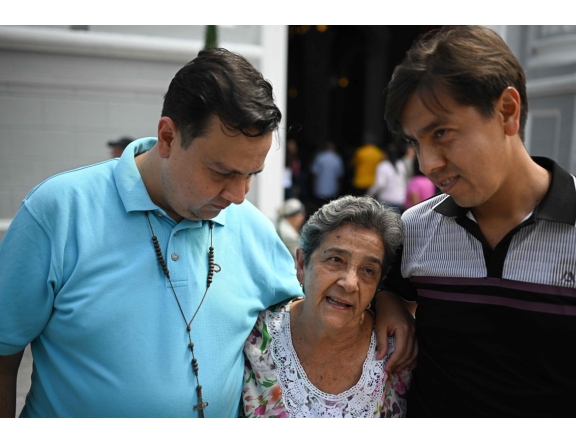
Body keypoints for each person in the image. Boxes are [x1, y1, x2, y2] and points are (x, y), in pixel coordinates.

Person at [0, 48, 415, 418]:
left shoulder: (251, 228)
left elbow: (321, 299)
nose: (238, 195)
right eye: (222, 172)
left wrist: (390, 300)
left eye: (251, 174)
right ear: (167, 137)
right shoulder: (58, 211)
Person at [381, 25, 576, 417]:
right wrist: (389, 304)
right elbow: (385, 287)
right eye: (415, 142)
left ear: (507, 111)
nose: (427, 164)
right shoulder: (416, 227)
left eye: (442, 132)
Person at [243, 196, 412, 417]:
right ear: (303, 264)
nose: (350, 283)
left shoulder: (400, 352)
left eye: (368, 270)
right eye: (335, 260)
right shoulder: (254, 335)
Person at [367, 143, 407, 213]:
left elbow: (380, 184)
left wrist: (369, 194)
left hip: (387, 200)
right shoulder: (401, 164)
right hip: (400, 199)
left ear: (386, 154)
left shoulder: (383, 166)